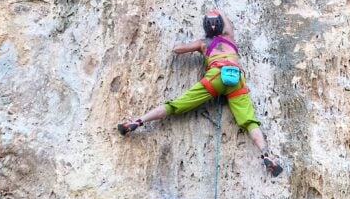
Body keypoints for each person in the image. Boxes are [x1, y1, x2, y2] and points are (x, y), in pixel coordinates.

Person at [117, 10, 283, 177]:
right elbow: (227, 22)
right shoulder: (229, 37)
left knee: (176, 105)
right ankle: (267, 154)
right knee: (249, 122)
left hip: (215, 77)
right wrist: (218, 11)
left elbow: (177, 49)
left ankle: (137, 122)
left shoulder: (203, 43)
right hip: (236, 79)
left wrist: (180, 42)